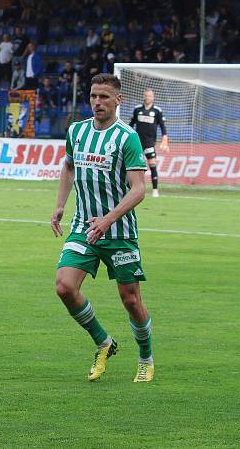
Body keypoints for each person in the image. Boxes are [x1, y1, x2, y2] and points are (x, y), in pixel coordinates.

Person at [51, 73, 154, 384]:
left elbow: (138, 189)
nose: (97, 102)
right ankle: (104, 343)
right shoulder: (77, 131)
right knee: (64, 287)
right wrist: (59, 205)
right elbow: (69, 165)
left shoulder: (127, 137)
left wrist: (108, 219)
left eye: (104, 97)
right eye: (94, 96)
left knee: (131, 300)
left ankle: (146, 358)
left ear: (118, 100)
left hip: (119, 232)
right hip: (84, 227)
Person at [129, 88, 169, 197]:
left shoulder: (157, 110)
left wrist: (165, 138)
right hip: (137, 142)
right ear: (144, 96)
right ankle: (131, 187)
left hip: (150, 142)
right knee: (134, 166)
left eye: (150, 96)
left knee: (152, 165)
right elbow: (131, 124)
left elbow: (162, 126)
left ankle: (155, 190)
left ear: (153, 97)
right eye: (146, 95)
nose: (148, 98)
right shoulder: (137, 109)